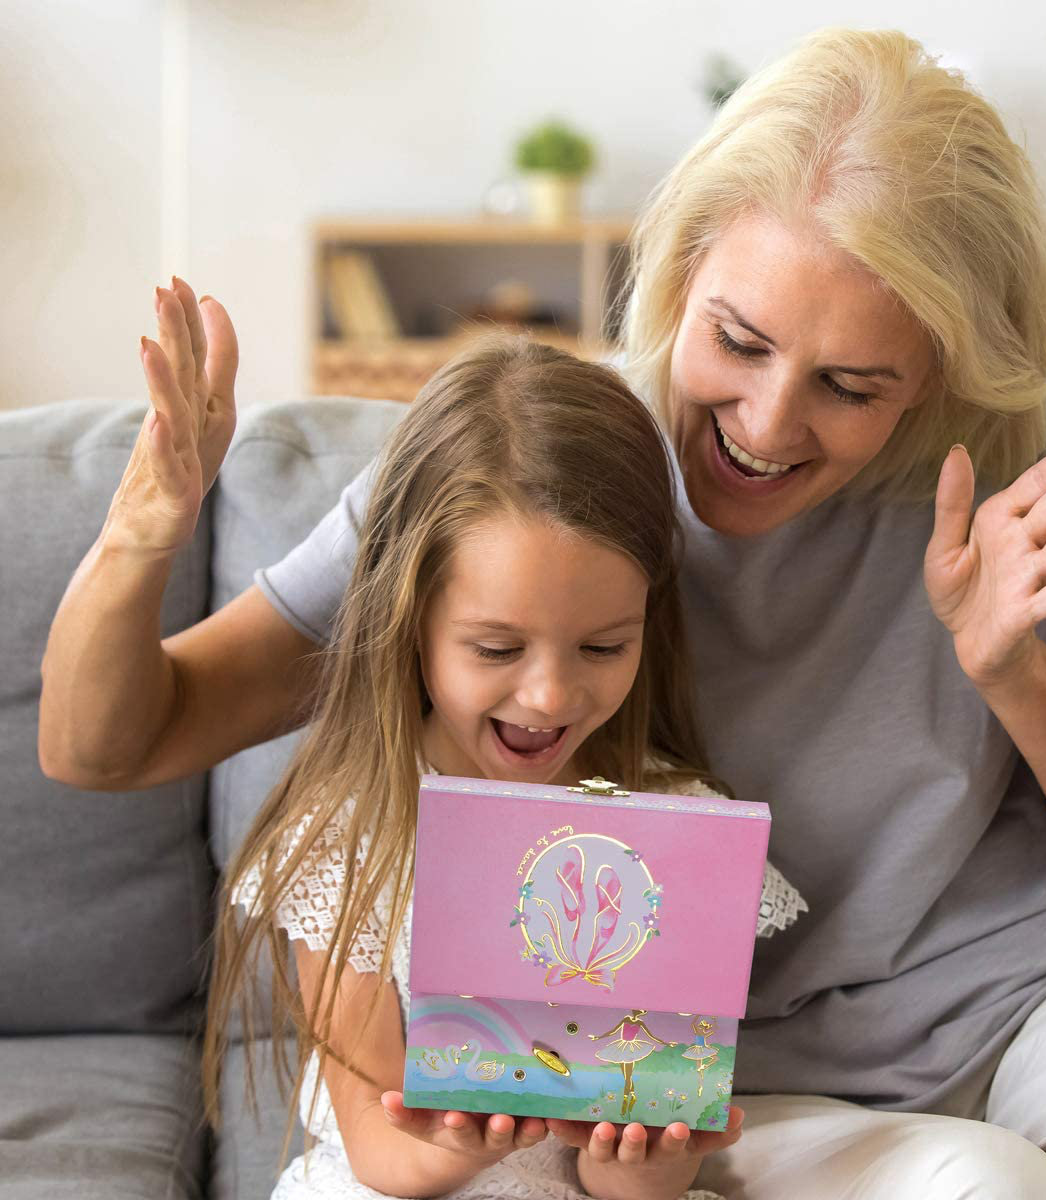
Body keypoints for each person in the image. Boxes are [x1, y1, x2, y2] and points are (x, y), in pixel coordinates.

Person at [40, 26, 1046, 1200]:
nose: (767, 421)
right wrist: (144, 531)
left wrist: (1014, 671)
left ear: (944, 374)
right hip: (749, 1073)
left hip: (1033, 992)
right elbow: (109, 741)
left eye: (852, 387)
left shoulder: (1019, 439)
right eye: (736, 340)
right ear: (682, 270)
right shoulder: (547, 477)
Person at [203, 336, 804, 1200]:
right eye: (495, 646)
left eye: (604, 645)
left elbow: (650, 1153)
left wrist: (642, 1161)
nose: (551, 694)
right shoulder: (357, 836)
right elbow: (376, 1142)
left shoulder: (673, 826)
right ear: (410, 621)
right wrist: (463, 1140)